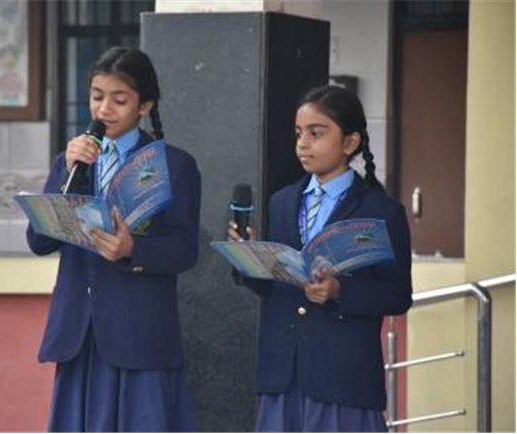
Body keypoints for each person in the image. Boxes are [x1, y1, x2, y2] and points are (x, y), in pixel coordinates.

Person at [27, 47, 201, 433]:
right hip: (80, 332)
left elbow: (185, 249)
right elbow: (39, 242)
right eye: (96, 96)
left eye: (119, 99)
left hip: (140, 333)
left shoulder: (174, 165)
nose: (104, 108)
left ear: (145, 105)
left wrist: (132, 249)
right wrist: (67, 173)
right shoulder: (71, 160)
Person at [227, 85, 413, 433]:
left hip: (343, 379)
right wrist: (249, 259)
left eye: (316, 133)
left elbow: (398, 295)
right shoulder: (282, 201)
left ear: (350, 142)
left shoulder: (381, 211)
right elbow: (278, 287)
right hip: (284, 373)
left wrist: (339, 290)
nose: (303, 143)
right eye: (299, 133)